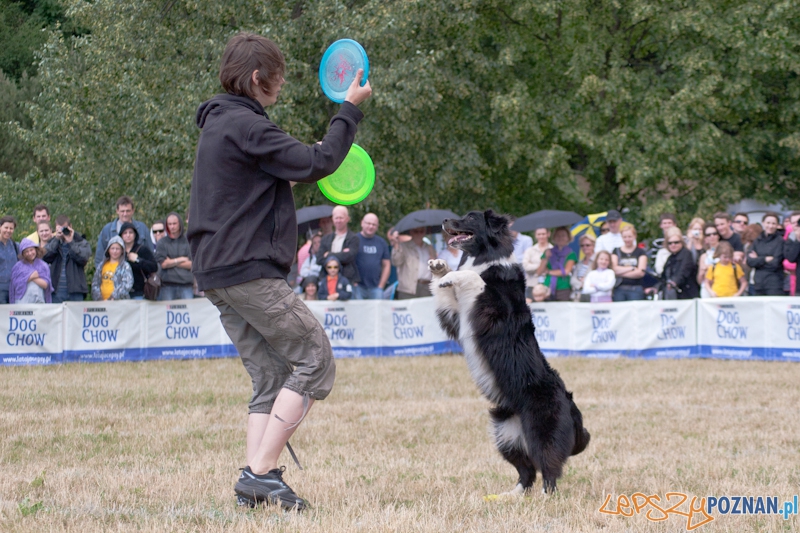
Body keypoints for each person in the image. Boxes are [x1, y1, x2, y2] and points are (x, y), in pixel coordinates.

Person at [187, 32, 371, 511]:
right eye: (279, 78)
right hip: (248, 271)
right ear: (256, 78)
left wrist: (292, 164)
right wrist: (349, 109)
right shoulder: (247, 126)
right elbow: (321, 161)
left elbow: (261, 177)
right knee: (315, 356)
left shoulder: (220, 125)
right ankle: (260, 474)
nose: (282, 86)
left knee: (268, 374)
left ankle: (254, 483)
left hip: (216, 274)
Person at [95, 196, 153, 269]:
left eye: (128, 211)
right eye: (122, 211)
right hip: (113, 275)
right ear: (117, 211)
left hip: (139, 274)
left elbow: (152, 256)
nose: (125, 214)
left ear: (133, 211)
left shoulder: (142, 228)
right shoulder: (107, 230)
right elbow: (99, 258)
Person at [43, 215, 91, 303]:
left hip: (75, 291)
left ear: (70, 227)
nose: (62, 231)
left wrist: (71, 242)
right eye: (59, 229)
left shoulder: (81, 241)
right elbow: (45, 257)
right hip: (56, 291)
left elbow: (83, 259)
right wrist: (57, 239)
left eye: (64, 228)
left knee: (76, 317)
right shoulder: (53, 242)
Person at [316, 206, 361, 292]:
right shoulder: (326, 239)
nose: (338, 220)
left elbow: (350, 257)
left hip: (347, 281)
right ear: (333, 219)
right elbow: (319, 259)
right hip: (327, 281)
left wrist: (329, 254)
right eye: (336, 218)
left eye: (341, 218)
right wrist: (342, 254)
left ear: (347, 219)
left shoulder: (353, 238)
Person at [389, 226, 437, 299]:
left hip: (426, 287)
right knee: (408, 310)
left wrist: (434, 262)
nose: (419, 234)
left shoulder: (429, 248)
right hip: (408, 289)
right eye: (416, 231)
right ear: (411, 232)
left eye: (421, 231)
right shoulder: (403, 246)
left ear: (425, 233)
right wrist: (396, 244)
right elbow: (396, 262)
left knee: (425, 310)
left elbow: (435, 269)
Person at [154, 212, 194, 300]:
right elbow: (163, 264)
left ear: (180, 223)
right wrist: (182, 259)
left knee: (188, 313)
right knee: (167, 313)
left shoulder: (189, 241)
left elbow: (192, 264)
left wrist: (171, 261)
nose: (172, 226)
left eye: (174, 223)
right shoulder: (162, 242)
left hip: (186, 286)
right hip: (167, 286)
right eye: (169, 224)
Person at [745, 212, 785, 296]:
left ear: (777, 225)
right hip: (758, 284)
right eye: (768, 223)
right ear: (763, 223)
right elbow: (750, 261)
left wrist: (758, 259)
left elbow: (775, 263)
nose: (770, 226)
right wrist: (765, 259)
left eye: (773, 223)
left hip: (774, 284)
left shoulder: (780, 241)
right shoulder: (757, 240)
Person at [354, 213, 390, 299]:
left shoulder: (381, 243)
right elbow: (347, 262)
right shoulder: (354, 240)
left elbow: (387, 265)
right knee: (358, 312)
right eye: (368, 223)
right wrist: (353, 283)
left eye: (374, 224)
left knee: (377, 312)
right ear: (362, 223)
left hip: (376, 288)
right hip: (357, 287)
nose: (371, 226)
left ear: (377, 227)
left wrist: (381, 285)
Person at [119, 222, 158, 299]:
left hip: (140, 292)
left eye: (130, 232)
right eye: (125, 233)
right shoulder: (118, 251)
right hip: (121, 293)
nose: (128, 235)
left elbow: (154, 267)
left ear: (135, 234)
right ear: (121, 235)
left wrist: (138, 260)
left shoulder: (142, 249)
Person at [536, 226, 575, 302]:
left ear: (568, 238)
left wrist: (549, 272)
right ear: (554, 237)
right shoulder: (548, 252)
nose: (560, 238)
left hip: (563, 287)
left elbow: (566, 271)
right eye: (558, 235)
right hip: (547, 286)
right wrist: (546, 258)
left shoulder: (571, 254)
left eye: (563, 235)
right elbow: (539, 272)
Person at [9, 238, 52, 303]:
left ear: (36, 249)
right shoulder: (17, 267)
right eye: (26, 251)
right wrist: (31, 276)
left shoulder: (43, 265)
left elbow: (46, 284)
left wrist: (31, 278)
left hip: (39, 301)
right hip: (22, 301)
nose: (29, 253)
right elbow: (15, 285)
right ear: (22, 254)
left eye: (31, 250)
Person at [610, 225, 647, 301]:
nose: (627, 239)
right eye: (625, 237)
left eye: (630, 237)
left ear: (634, 236)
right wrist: (632, 268)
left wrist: (620, 272)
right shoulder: (616, 251)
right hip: (619, 288)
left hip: (636, 288)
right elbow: (613, 269)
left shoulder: (640, 252)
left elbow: (640, 272)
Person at [660, 227, 699, 300]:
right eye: (670, 243)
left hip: (686, 295)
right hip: (674, 294)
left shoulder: (687, 254)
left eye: (676, 242)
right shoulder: (670, 258)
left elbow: (683, 271)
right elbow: (663, 277)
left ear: (681, 242)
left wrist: (674, 282)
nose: (673, 245)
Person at [91, 236, 133, 301]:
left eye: (117, 249)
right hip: (101, 302)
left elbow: (127, 284)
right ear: (108, 250)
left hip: (118, 303)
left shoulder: (125, 266)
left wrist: (113, 297)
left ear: (122, 251)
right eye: (112, 248)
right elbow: (95, 283)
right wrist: (99, 298)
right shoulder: (101, 265)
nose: (115, 251)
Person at [522, 227, 553, 294]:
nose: (541, 236)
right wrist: (542, 266)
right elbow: (525, 266)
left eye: (543, 234)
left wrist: (533, 265)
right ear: (535, 235)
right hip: (532, 283)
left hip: (548, 284)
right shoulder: (530, 250)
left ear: (548, 234)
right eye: (539, 234)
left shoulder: (553, 250)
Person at [697, 223, 721, 298]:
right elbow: (700, 280)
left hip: (722, 286)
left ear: (718, 235)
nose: (712, 236)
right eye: (708, 235)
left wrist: (709, 267)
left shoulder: (725, 251)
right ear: (705, 238)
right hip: (706, 288)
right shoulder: (704, 256)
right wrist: (702, 271)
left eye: (714, 233)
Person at [570, 234, 596, 300]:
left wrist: (585, 282)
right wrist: (581, 284)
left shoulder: (597, 261)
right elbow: (573, 280)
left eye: (587, 245)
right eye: (582, 245)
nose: (585, 247)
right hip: (577, 295)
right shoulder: (579, 263)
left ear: (593, 246)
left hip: (591, 296)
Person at [0, 215, 18, 304]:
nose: (8, 231)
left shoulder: (15, 246)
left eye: (11, 228)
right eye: (6, 227)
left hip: (13, 290)